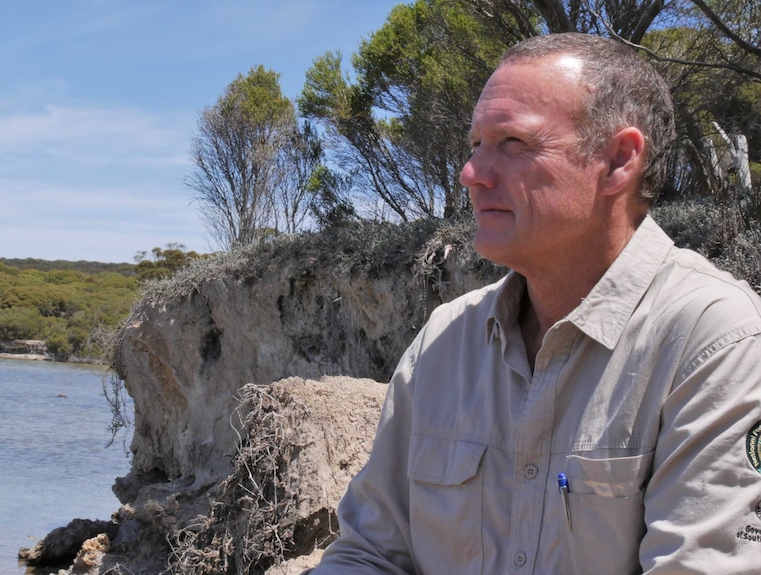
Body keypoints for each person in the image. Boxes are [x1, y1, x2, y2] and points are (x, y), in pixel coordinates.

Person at [305, 33, 761, 574]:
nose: (471, 173)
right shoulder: (446, 338)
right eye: (474, 145)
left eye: (513, 143)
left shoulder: (714, 340)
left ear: (618, 160)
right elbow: (370, 551)